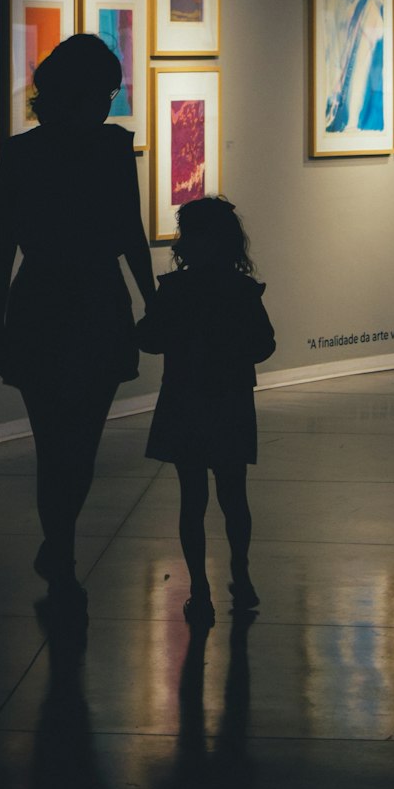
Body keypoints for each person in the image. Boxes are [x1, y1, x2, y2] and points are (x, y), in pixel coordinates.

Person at [0, 34, 155, 617]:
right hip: (82, 300)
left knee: (66, 444)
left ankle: (58, 546)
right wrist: (148, 297)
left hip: (50, 301)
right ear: (77, 93)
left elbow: (4, 246)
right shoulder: (100, 151)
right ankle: (59, 548)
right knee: (70, 442)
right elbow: (126, 233)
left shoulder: (30, 153)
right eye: (104, 92)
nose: (109, 104)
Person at [135, 196, 275, 626]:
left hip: (185, 398)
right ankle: (240, 570)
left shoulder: (175, 290)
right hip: (229, 400)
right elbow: (264, 344)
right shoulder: (241, 291)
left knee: (191, 498)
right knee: (234, 495)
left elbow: (149, 339)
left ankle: (199, 586)